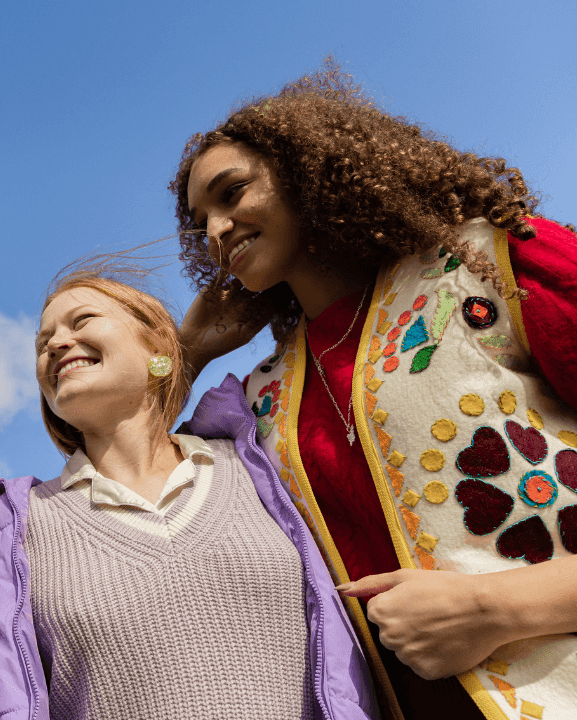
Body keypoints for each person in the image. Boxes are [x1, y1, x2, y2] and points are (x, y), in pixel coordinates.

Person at [174, 61, 577, 719]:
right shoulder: (256, 405)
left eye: (233, 192)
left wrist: (495, 607)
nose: (216, 230)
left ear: (309, 170)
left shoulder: (488, 268)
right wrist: (186, 356)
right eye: (200, 221)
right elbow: (125, 487)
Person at [0, 267, 379, 719]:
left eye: (82, 320)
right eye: (41, 343)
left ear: (158, 347)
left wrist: (184, 352)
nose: (54, 343)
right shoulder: (19, 524)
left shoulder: (256, 453)